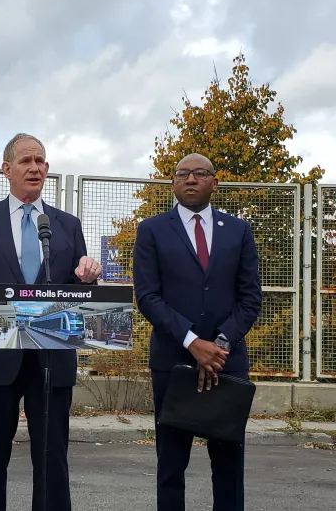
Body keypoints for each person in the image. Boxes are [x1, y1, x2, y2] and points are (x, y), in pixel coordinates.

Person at [0, 132, 102, 511]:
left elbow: (80, 294)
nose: (35, 168)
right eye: (26, 161)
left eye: (41, 162)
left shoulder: (66, 225)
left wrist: (87, 278)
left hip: (52, 362)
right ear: (6, 169)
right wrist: (5, 320)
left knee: (53, 463)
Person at [133, 153, 261, 511]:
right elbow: (147, 296)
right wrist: (192, 343)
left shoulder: (238, 230)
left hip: (226, 365)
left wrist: (217, 347)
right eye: (182, 174)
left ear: (214, 183)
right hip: (173, 365)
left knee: (229, 467)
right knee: (171, 467)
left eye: (200, 173)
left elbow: (250, 298)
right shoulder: (152, 230)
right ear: (173, 183)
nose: (190, 179)